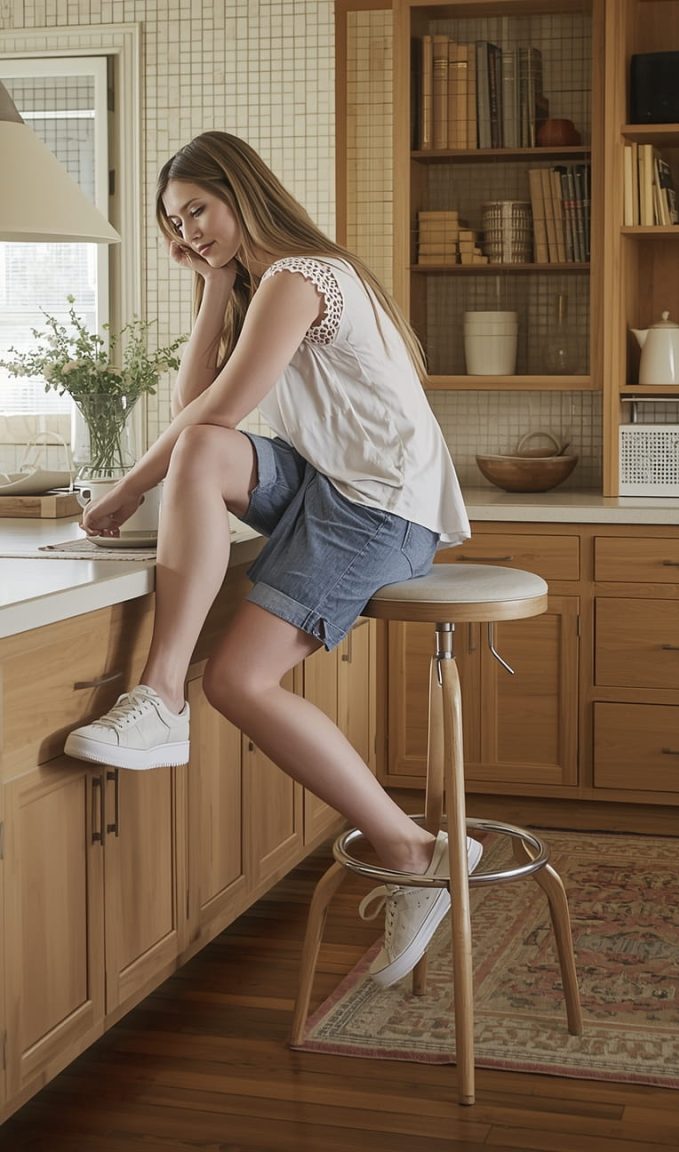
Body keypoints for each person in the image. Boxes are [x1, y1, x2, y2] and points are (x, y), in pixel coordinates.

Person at [64, 130, 481, 988]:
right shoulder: (269, 283)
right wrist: (214, 285)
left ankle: (413, 850)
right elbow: (200, 414)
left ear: (242, 193)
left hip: (377, 511)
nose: (192, 232)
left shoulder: (301, 278)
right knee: (203, 452)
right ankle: (159, 696)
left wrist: (123, 492)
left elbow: (220, 401)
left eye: (200, 212)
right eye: (177, 223)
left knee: (240, 683)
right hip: (335, 491)